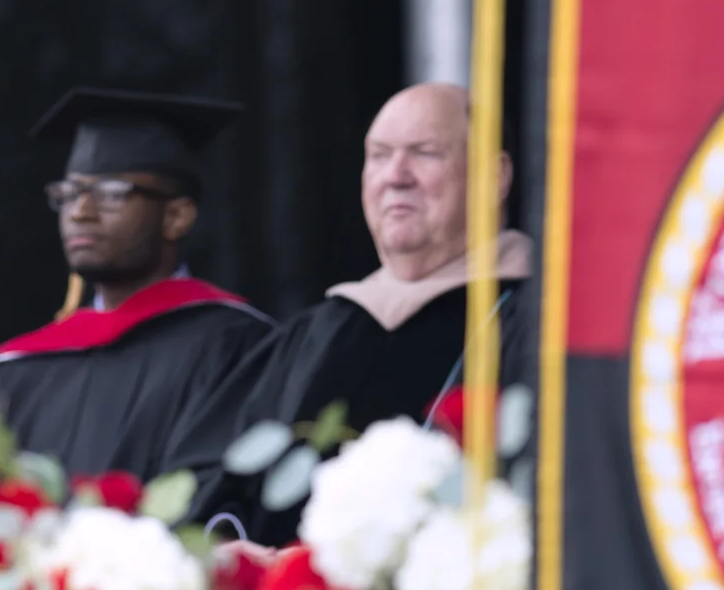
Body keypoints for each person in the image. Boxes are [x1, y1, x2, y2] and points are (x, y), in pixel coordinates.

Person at [164, 82, 531, 542]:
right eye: (378, 156)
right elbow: (212, 486)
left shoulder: (538, 325)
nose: (396, 175)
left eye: (425, 153)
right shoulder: (314, 335)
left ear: (493, 177)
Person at [0, 88, 273, 479]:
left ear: (177, 217)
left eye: (112, 194)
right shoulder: (18, 370)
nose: (81, 212)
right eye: (70, 193)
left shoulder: (233, 347)